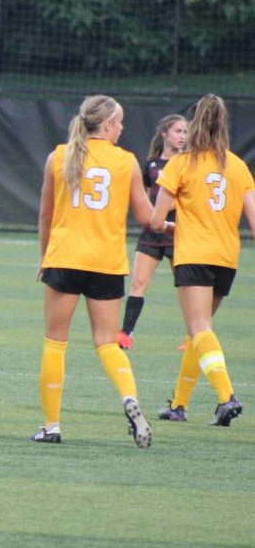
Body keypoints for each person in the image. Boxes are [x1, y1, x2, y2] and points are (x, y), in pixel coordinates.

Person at [33, 95, 155, 448]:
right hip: (107, 263)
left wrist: (45, 257)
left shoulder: (59, 156)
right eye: (119, 122)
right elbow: (147, 218)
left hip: (65, 259)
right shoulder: (126, 162)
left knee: (55, 342)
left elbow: (45, 215)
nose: (122, 128)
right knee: (106, 341)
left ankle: (52, 426)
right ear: (106, 125)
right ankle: (128, 398)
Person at [151, 94, 255, 426]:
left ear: (195, 125)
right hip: (226, 257)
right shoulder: (237, 166)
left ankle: (227, 397)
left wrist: (173, 226)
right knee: (198, 332)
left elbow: (155, 220)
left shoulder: (181, 164)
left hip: (194, 254)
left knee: (199, 328)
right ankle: (178, 405)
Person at [118, 115, 187, 350]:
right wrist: (151, 215)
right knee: (138, 282)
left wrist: (160, 211)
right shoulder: (151, 164)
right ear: (164, 133)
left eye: (185, 132)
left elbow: (187, 199)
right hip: (152, 233)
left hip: (178, 231)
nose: (182, 136)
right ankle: (126, 333)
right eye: (178, 131)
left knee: (186, 285)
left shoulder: (188, 163)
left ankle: (193, 337)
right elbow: (147, 197)